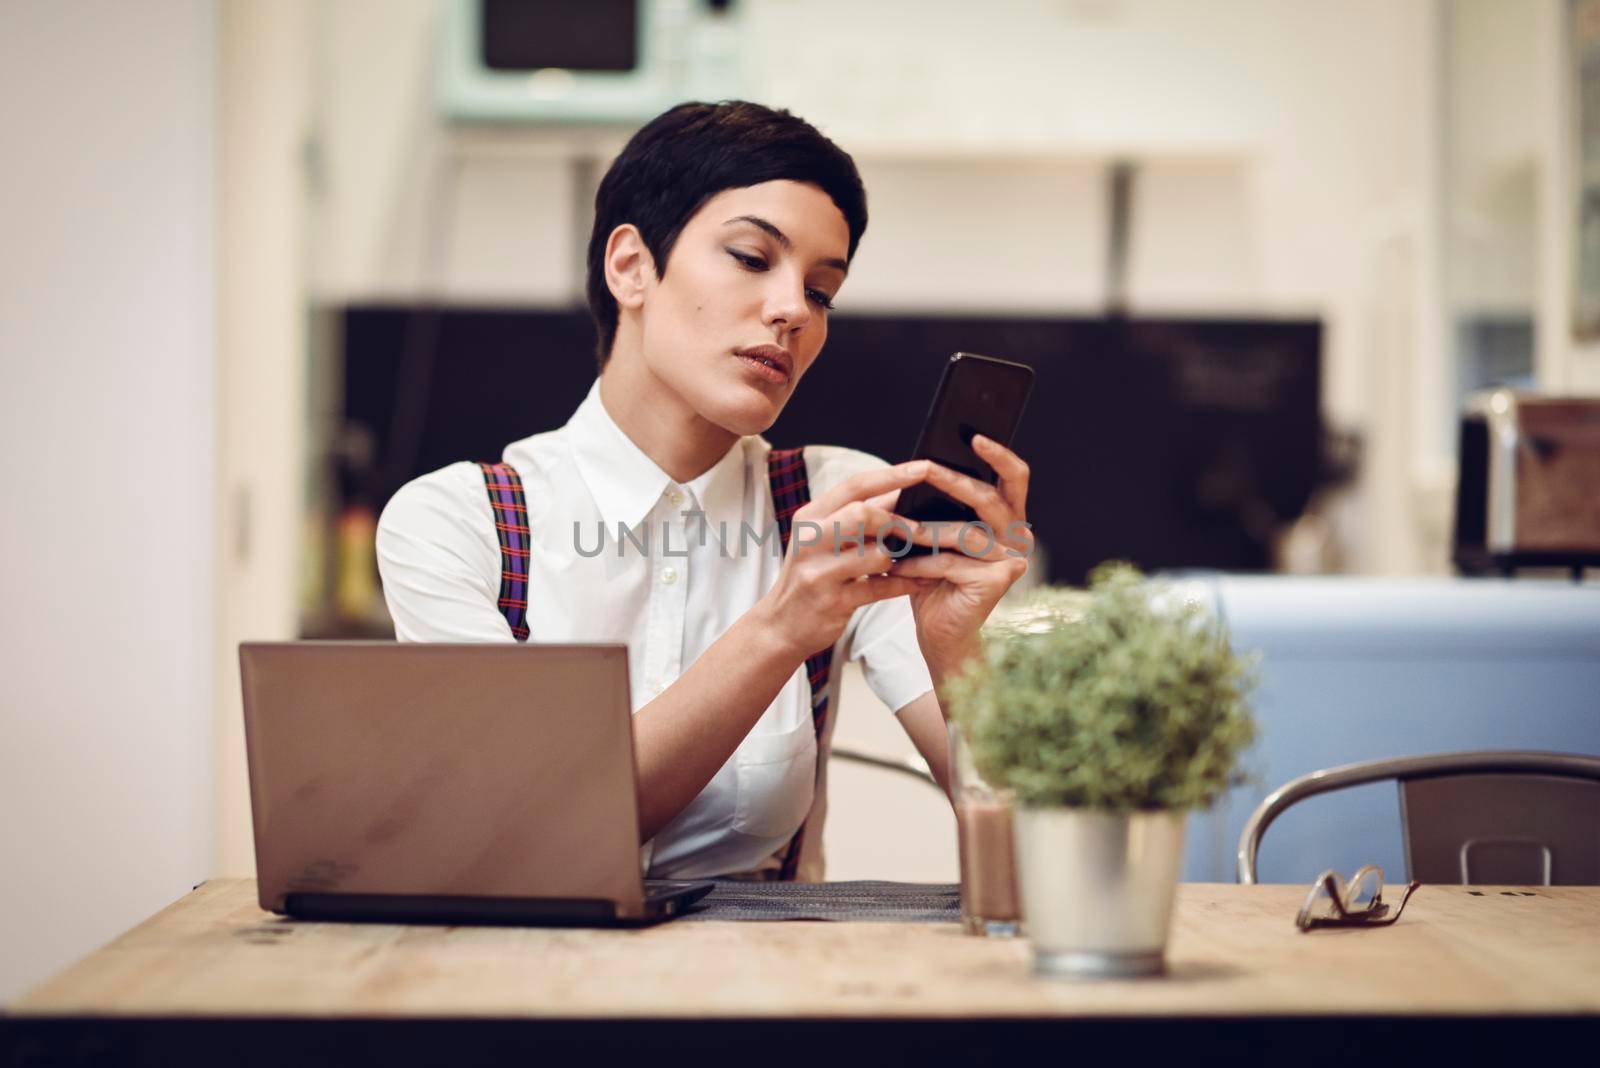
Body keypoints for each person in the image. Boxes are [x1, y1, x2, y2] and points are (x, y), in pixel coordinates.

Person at [376, 100, 1033, 881]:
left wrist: (960, 656)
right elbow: (535, 829)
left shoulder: (833, 501)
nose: (792, 310)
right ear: (630, 267)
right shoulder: (458, 523)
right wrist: (781, 629)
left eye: (822, 291)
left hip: (764, 992)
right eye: (753, 258)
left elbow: (1031, 856)